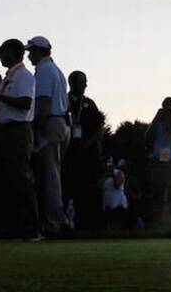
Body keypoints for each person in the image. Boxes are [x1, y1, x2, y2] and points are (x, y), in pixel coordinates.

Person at [0, 38, 41, 241]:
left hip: (17, 131)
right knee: (8, 180)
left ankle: (30, 228)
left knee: (21, 179)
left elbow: (25, 102)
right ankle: (14, 227)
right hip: (5, 131)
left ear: (14, 53)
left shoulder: (23, 76)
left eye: (3, 52)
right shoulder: (10, 76)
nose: (0, 56)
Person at [26, 35, 70, 237]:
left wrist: (36, 129)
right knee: (53, 175)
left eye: (31, 51)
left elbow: (43, 103)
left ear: (40, 51)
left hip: (49, 123)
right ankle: (57, 220)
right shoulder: (56, 71)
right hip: (59, 122)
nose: (29, 55)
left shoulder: (43, 71)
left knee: (48, 177)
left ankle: (53, 223)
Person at [63, 70, 105, 230]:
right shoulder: (64, 101)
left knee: (88, 189)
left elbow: (99, 127)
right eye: (83, 81)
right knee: (68, 187)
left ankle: (89, 224)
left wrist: (90, 143)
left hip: (88, 155)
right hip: (69, 154)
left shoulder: (89, 103)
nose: (86, 85)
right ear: (72, 82)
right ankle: (66, 224)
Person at [145, 97, 171, 226]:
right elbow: (147, 137)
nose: (168, 110)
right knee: (157, 195)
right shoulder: (159, 121)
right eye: (166, 107)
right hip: (159, 161)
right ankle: (156, 225)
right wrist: (155, 119)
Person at [101, 158, 129, 229]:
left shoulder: (118, 172)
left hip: (118, 205)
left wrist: (112, 174)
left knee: (118, 225)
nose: (108, 166)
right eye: (107, 164)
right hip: (107, 205)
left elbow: (118, 184)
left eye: (110, 164)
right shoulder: (103, 176)